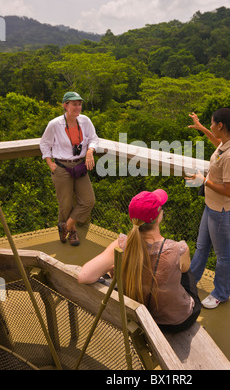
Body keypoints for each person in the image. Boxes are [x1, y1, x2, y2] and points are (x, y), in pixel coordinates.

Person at [78, 189, 201, 333]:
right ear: (159, 217)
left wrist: (118, 267)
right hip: (175, 323)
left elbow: (84, 276)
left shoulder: (122, 244)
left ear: (132, 219)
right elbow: (185, 269)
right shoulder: (178, 248)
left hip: (137, 317)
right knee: (186, 273)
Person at [186, 108, 230, 309]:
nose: (211, 126)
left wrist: (203, 180)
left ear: (220, 125)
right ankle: (189, 284)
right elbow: (217, 144)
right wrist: (202, 128)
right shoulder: (226, 145)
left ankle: (221, 293)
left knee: (222, 255)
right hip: (211, 207)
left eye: (212, 123)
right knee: (201, 248)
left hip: (223, 211)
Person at [40, 92, 98, 247]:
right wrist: (49, 163)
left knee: (88, 200)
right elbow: (44, 143)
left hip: (80, 166)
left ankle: (66, 225)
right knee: (65, 204)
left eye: (79, 104)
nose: (78, 107)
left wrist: (90, 151)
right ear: (65, 105)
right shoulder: (55, 124)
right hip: (61, 167)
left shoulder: (85, 121)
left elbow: (93, 138)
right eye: (74, 104)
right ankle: (72, 231)